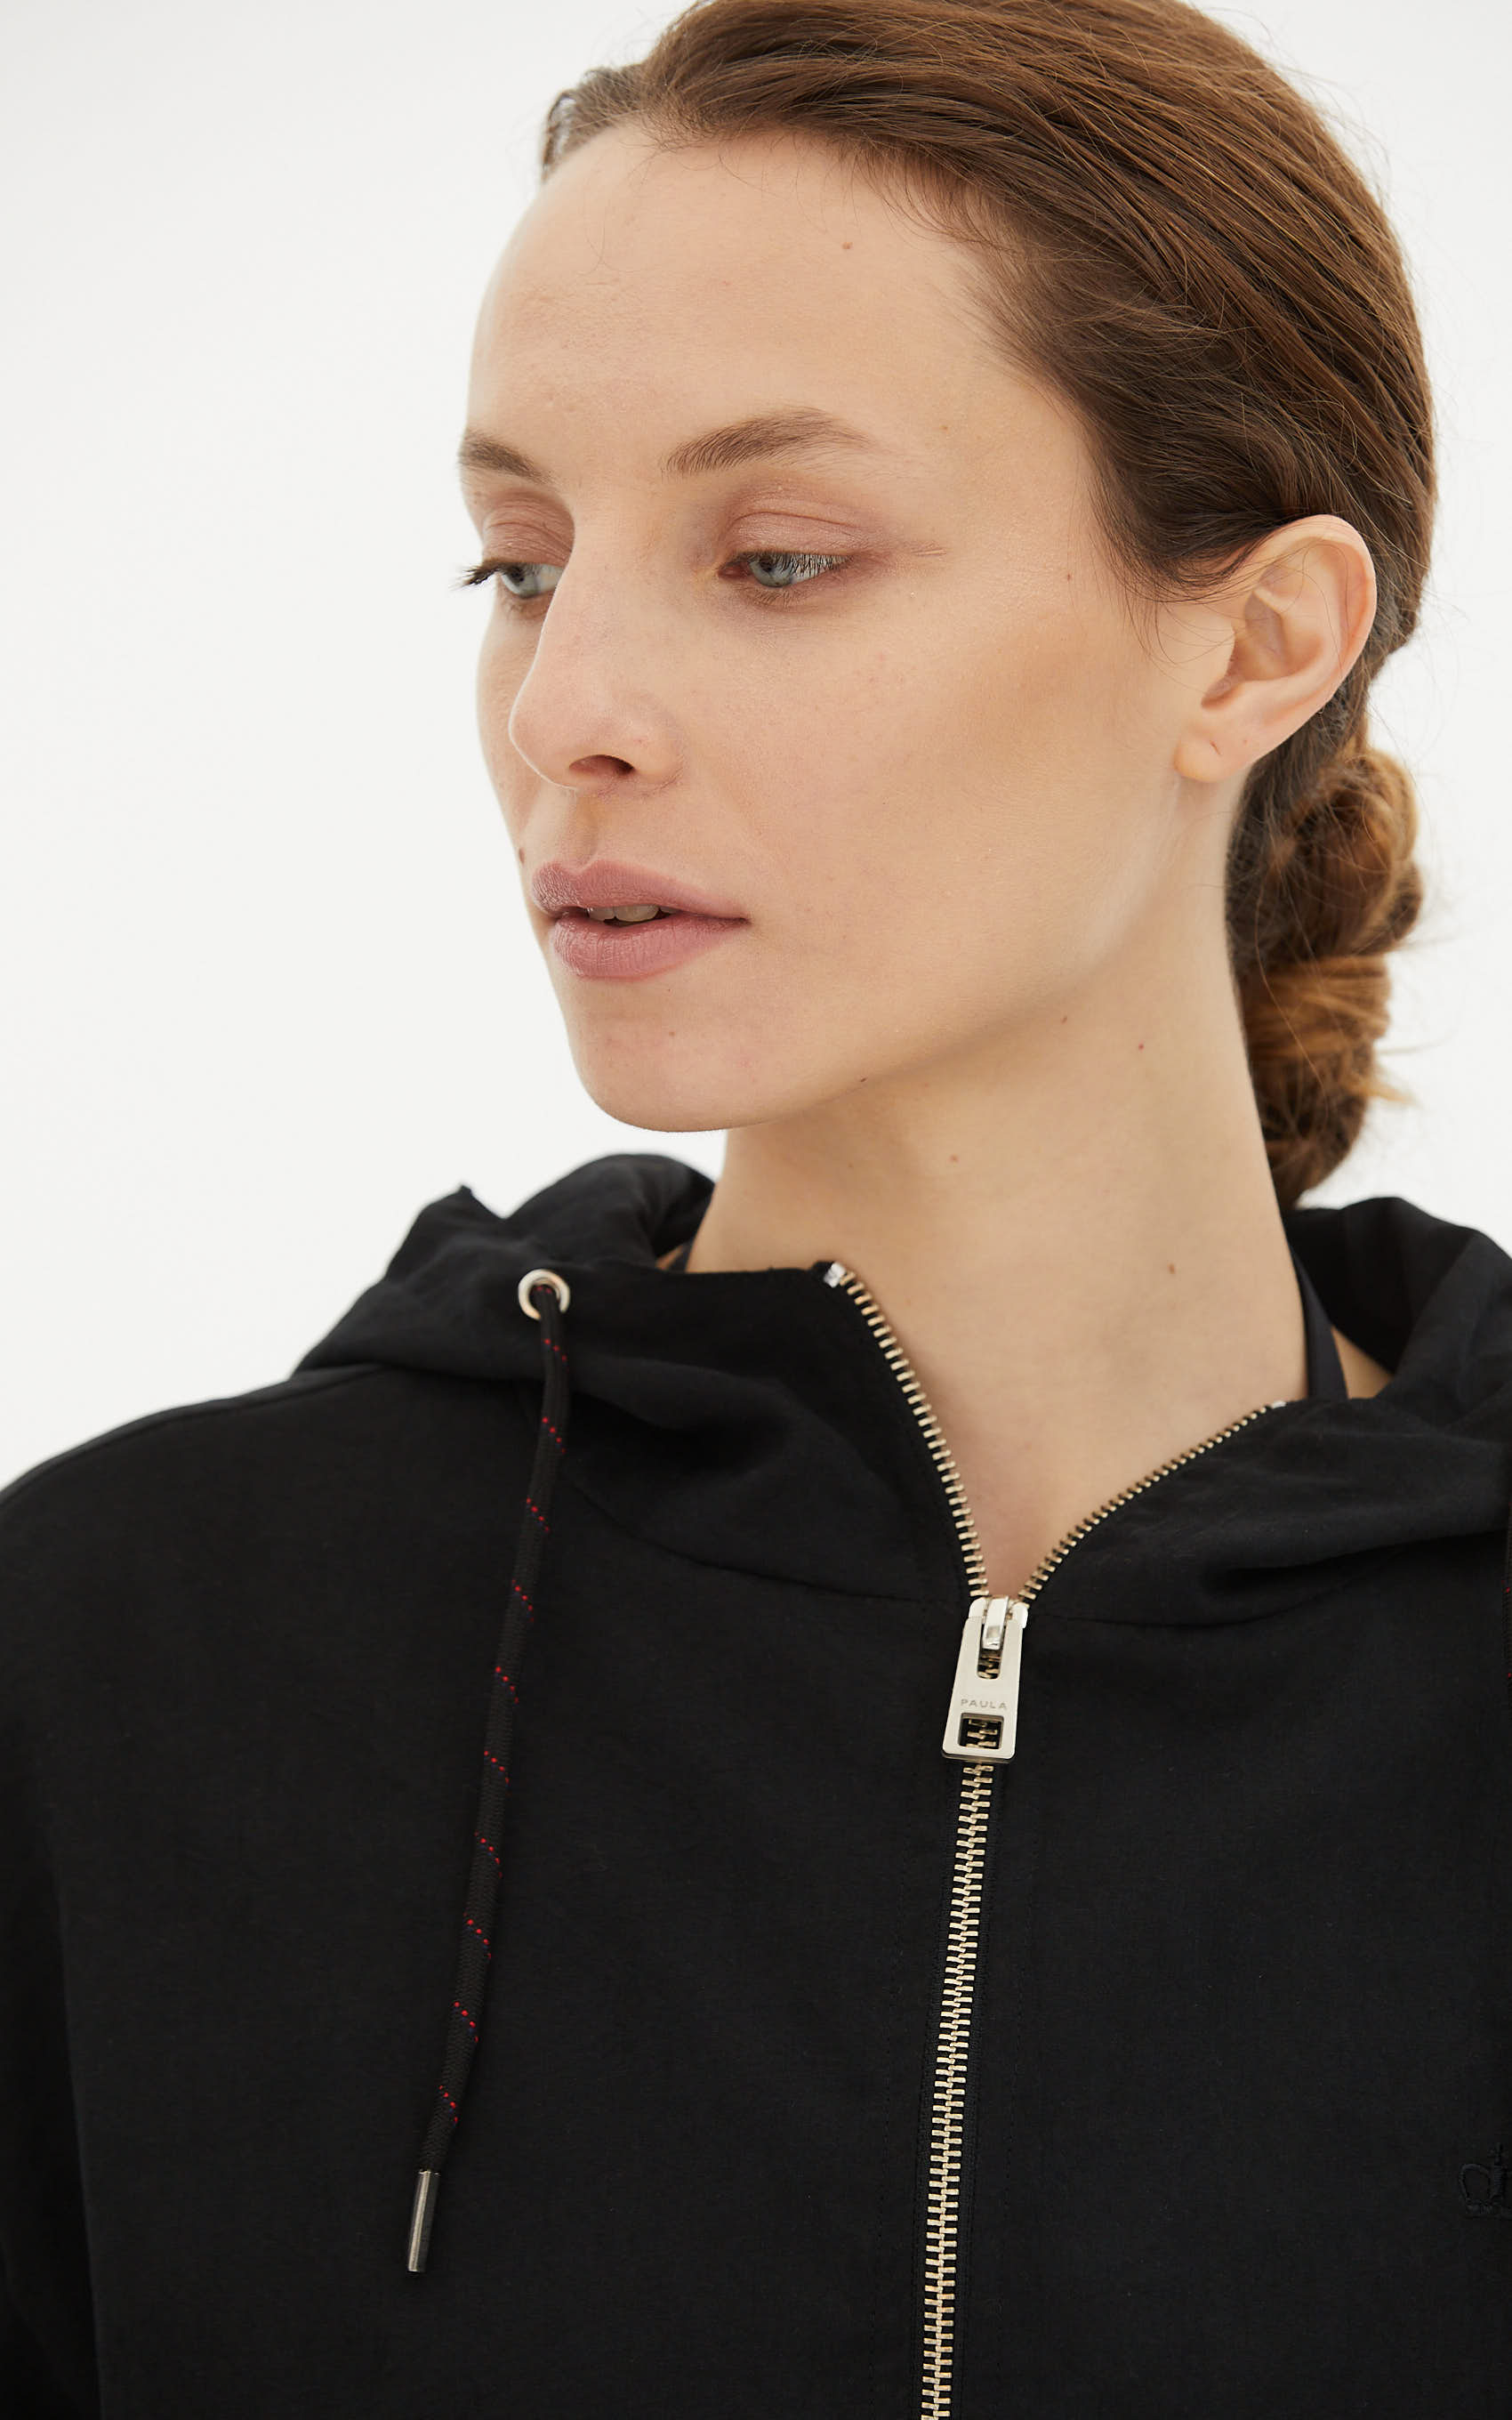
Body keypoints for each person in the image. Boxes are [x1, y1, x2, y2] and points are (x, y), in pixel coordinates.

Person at [3, 0, 1509, 2411]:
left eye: (778, 557)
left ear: (1253, 642)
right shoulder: (118, 1661)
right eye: (517, 563)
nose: (564, 708)